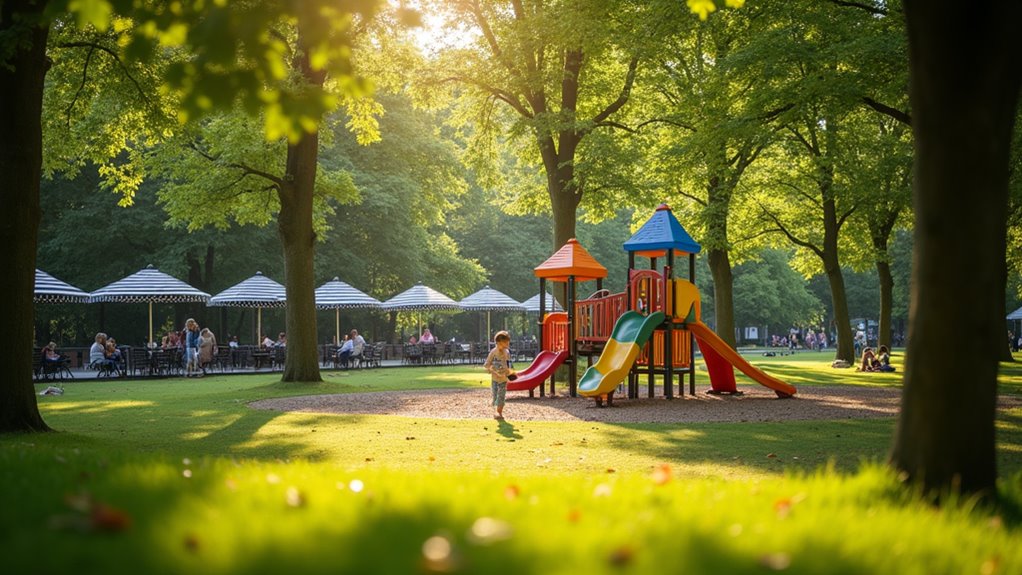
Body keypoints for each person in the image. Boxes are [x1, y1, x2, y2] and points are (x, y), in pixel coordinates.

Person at [484, 330, 515, 420]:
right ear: (498, 342)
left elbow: (509, 364)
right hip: (495, 379)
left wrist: (510, 373)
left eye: (508, 342)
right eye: (505, 342)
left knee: (501, 396)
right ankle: (495, 410)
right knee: (495, 396)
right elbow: (487, 365)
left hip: (503, 379)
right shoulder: (493, 353)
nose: (507, 344)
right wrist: (492, 369)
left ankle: (499, 413)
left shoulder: (507, 352)